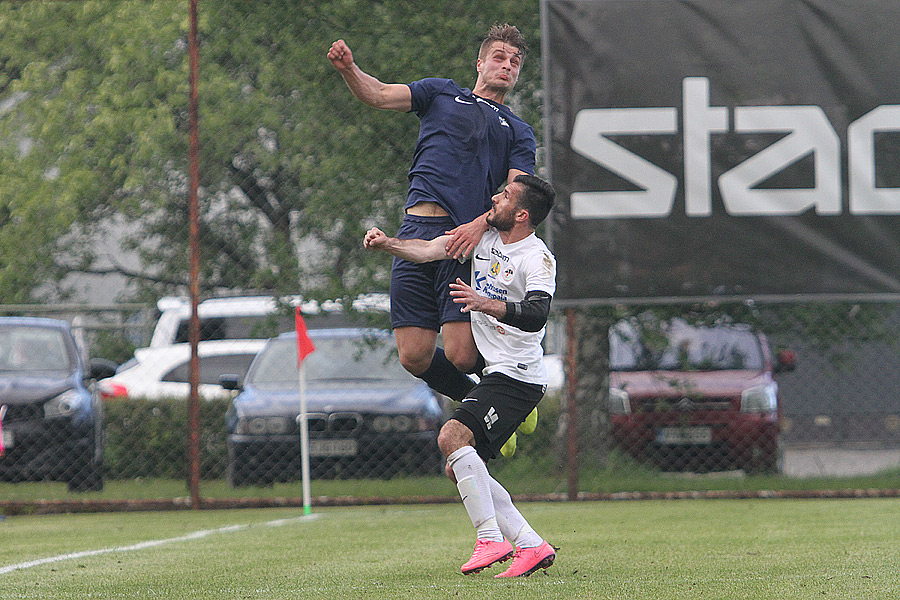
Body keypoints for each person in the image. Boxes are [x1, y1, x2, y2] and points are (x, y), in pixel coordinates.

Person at [328, 24, 536, 403]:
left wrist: (478, 226)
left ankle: (510, 394)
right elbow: (377, 94)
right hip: (415, 228)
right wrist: (348, 69)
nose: (507, 66)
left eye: (515, 62)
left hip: (462, 240)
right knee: (413, 355)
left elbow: (518, 194)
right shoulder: (441, 92)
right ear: (480, 62)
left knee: (460, 354)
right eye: (499, 57)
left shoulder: (518, 130)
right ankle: (482, 401)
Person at [364, 174, 557, 578]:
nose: (493, 198)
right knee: (459, 466)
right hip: (496, 374)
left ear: (521, 214)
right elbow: (428, 250)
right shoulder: (483, 238)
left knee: (451, 437)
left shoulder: (536, 257)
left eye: (504, 196)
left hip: (518, 377)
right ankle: (530, 545)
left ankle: (490, 539)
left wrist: (487, 304)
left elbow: (538, 313)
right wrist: (389, 245)